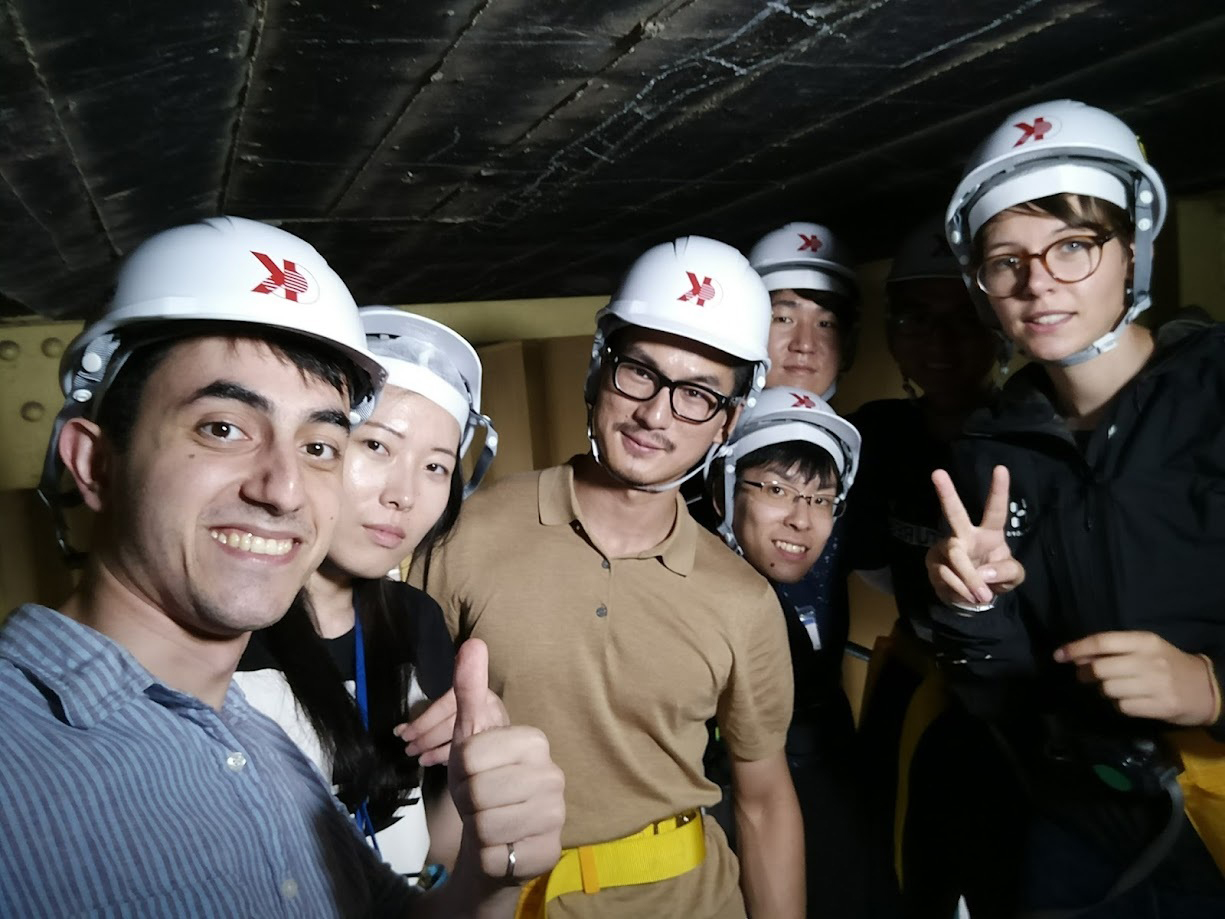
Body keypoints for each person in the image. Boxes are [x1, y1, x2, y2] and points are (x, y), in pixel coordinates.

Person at [0, 216, 564, 918]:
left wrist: (491, 875)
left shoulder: (253, 744)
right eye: (223, 427)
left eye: (320, 445)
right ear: (92, 462)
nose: (284, 487)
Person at [417, 236, 805, 918]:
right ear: (599, 370)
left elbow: (765, 799)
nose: (655, 414)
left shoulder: (743, 601)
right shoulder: (470, 532)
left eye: (697, 395)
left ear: (729, 420)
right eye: (639, 373)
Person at [927, 100, 1225, 916]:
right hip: (1074, 826)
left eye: (1072, 246)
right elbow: (1000, 693)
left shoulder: (1214, 395)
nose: (1037, 284)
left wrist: (1211, 686)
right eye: (1005, 260)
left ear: (1131, 250)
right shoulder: (990, 451)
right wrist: (975, 609)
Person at [235, 306, 499, 878]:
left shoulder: (415, 619)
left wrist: (470, 768)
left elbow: (439, 851)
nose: (403, 494)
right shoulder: (225, 616)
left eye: (436, 466)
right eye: (377, 447)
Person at [848, 217, 1024, 917]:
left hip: (1012, 706)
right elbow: (867, 561)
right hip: (915, 682)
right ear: (891, 333)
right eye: (916, 319)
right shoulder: (878, 435)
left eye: (962, 319)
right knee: (902, 873)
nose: (940, 341)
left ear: (995, 328)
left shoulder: (1030, 436)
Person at [703, 385, 883, 917]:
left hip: (828, 764)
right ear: (725, 491)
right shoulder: (691, 598)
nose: (802, 520)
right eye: (777, 490)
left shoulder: (807, 590)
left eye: (821, 499)